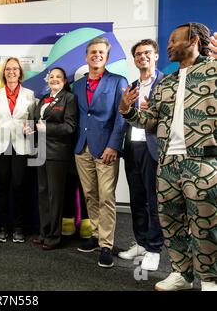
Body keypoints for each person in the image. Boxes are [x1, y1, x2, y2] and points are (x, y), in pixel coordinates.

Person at [119, 22, 217, 291]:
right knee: (171, 223)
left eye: (175, 40)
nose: (170, 45)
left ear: (195, 39)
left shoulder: (213, 70)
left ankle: (210, 279)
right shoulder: (167, 83)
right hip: (167, 164)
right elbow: (149, 121)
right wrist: (127, 110)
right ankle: (181, 274)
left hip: (203, 162)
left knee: (205, 224)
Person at [73, 36, 127, 268]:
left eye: (101, 53)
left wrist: (114, 145)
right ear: (86, 56)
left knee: (107, 197)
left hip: (106, 148)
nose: (96, 55)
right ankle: (95, 236)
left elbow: (122, 115)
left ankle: (106, 244)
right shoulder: (76, 85)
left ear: (107, 56)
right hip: (81, 147)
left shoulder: (117, 81)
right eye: (92, 52)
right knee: (90, 195)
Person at [118, 39, 164, 272]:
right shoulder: (132, 85)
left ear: (155, 55)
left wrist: (153, 113)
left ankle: (154, 248)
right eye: (137, 54)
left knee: (153, 199)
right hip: (132, 148)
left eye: (147, 52)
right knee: (137, 199)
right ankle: (141, 242)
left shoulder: (166, 83)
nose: (142, 57)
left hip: (153, 147)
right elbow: (123, 116)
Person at [0, 57, 36, 243]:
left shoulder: (30, 94)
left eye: (15, 69)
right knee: (1, 187)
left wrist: (29, 128)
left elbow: (34, 122)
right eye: (8, 69)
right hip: (0, 145)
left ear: (20, 72)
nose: (11, 72)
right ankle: (1, 227)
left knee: (19, 187)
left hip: (21, 145)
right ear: (4, 72)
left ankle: (18, 227)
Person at [28, 67, 77, 250]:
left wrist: (46, 128)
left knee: (55, 196)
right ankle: (44, 232)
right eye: (51, 77)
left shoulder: (69, 98)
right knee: (43, 194)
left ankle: (54, 237)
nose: (54, 79)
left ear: (64, 81)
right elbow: (38, 122)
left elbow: (70, 127)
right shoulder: (44, 99)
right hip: (41, 151)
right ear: (47, 80)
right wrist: (31, 129)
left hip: (57, 153)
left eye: (58, 77)